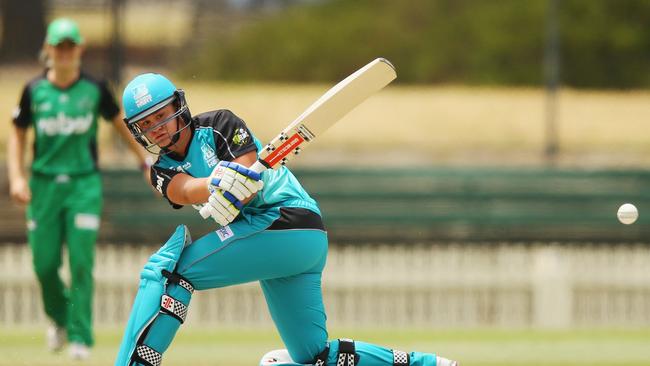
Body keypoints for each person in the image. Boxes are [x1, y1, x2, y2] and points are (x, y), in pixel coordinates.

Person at [115, 72, 459, 366]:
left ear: (178, 107)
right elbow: (185, 190)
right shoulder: (161, 170)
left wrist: (231, 187)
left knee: (171, 272)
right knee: (314, 357)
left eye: (160, 115)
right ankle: (426, 363)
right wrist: (213, 185)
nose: (155, 128)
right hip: (284, 243)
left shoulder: (220, 124)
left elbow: (249, 185)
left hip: (286, 220)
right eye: (145, 124)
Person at [7, 18, 151, 360]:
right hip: (43, 187)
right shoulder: (33, 91)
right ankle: (59, 318)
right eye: (59, 48)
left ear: (80, 50)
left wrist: (144, 161)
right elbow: (17, 133)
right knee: (44, 265)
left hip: (83, 185)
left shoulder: (95, 88)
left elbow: (120, 124)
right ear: (48, 51)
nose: (65, 54)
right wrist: (16, 177)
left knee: (82, 262)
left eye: (71, 47)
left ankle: (81, 337)